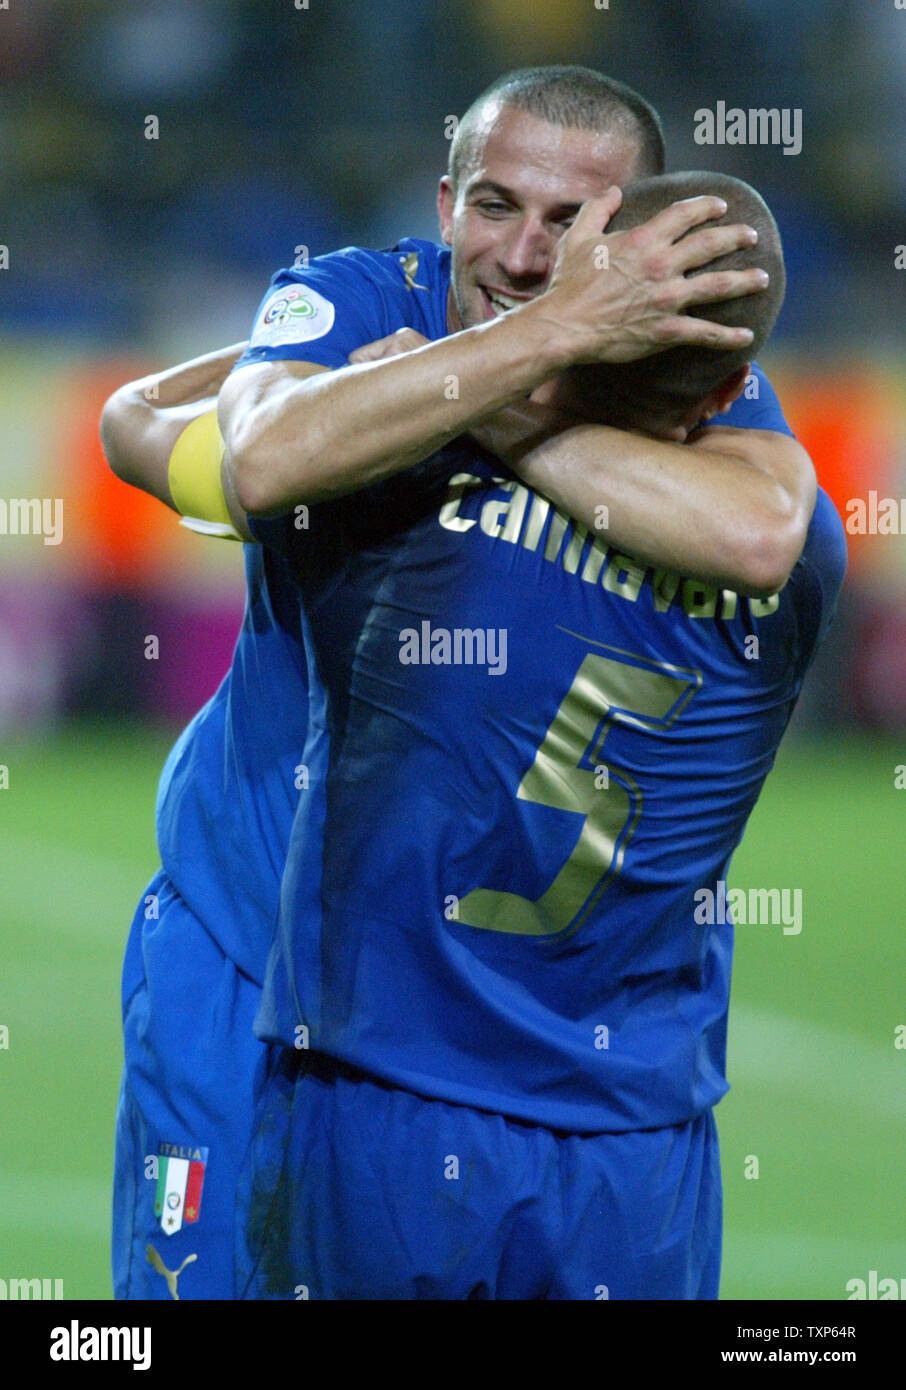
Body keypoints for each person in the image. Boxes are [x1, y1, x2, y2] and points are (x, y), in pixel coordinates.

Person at [103, 65, 816, 1299]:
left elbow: (766, 530)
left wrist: (496, 385)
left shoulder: (694, 379)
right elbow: (258, 457)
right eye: (495, 206)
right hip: (239, 943)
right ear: (443, 203)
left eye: (570, 222)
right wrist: (525, 348)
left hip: (425, 1033)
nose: (527, 253)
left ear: (635, 239)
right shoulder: (359, 296)